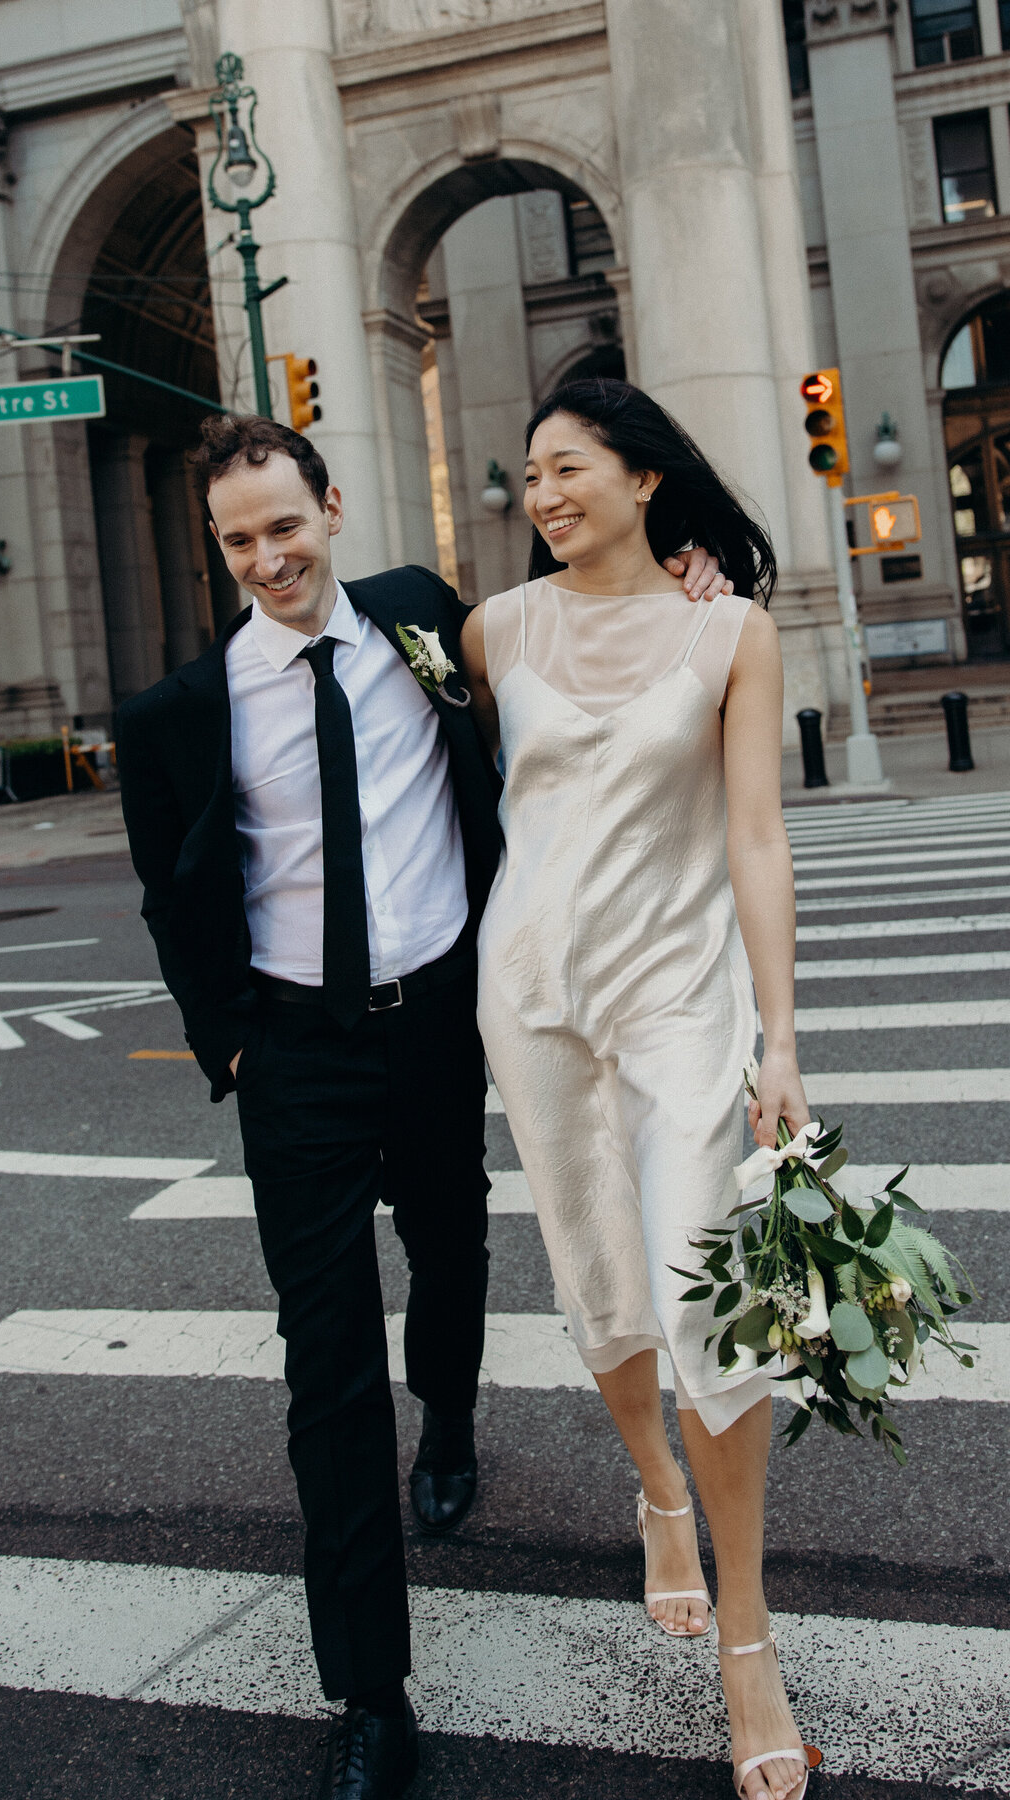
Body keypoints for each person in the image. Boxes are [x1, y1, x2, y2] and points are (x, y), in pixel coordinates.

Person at [116, 412, 727, 1800]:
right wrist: (228, 1049)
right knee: (325, 1359)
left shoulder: (423, 623)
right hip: (299, 1056)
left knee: (452, 1251)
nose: (270, 558)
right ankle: (372, 1691)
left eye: (287, 525)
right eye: (240, 540)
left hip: (444, 1021)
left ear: (332, 507)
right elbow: (172, 894)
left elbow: (577, 618)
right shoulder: (174, 719)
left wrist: (683, 569)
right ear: (221, 551)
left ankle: (447, 1421)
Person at [463, 378, 820, 1800]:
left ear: (645, 479)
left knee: (708, 1303)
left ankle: (749, 1635)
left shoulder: (729, 630)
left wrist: (780, 1039)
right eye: (529, 477)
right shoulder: (492, 632)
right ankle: (657, 1496)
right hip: (534, 996)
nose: (542, 494)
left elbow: (756, 838)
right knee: (597, 1272)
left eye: (566, 468)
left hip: (681, 1003)